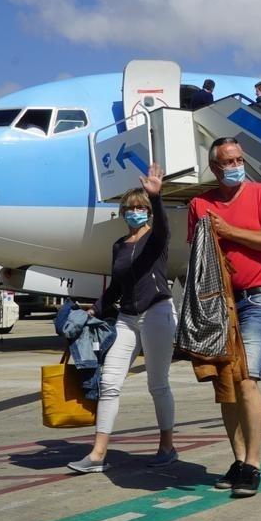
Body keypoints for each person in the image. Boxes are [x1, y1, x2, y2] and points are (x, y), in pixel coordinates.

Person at [187, 137, 261, 498]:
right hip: (218, 302)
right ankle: (239, 458)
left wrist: (230, 233)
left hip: (258, 296)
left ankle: (254, 464)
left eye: (238, 159)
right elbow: (199, 259)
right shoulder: (199, 204)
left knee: (246, 378)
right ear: (214, 167)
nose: (234, 166)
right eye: (227, 162)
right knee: (225, 384)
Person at [68, 164, 179, 474]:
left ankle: (167, 446)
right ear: (122, 212)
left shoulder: (155, 240)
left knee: (158, 384)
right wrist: (95, 309)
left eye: (141, 207)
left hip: (157, 312)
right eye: (130, 208)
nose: (135, 212)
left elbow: (164, 230)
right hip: (127, 318)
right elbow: (117, 286)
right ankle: (97, 453)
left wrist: (156, 197)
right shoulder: (119, 246)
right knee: (109, 383)